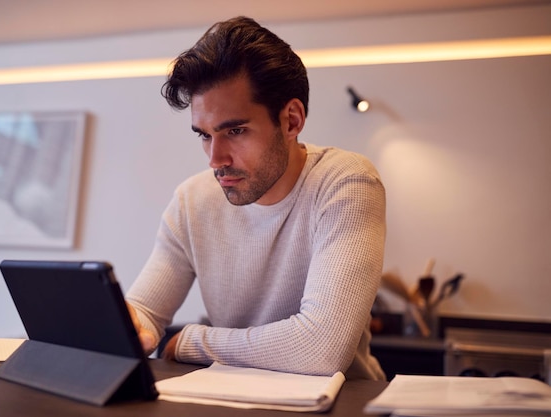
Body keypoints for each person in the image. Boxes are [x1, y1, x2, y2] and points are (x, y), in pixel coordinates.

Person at [125, 16, 386, 380]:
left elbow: (322, 348)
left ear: (292, 120)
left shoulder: (346, 182)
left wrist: (192, 342)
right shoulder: (191, 201)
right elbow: (144, 311)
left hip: (340, 405)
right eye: (204, 134)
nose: (215, 159)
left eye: (235, 130)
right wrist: (133, 327)